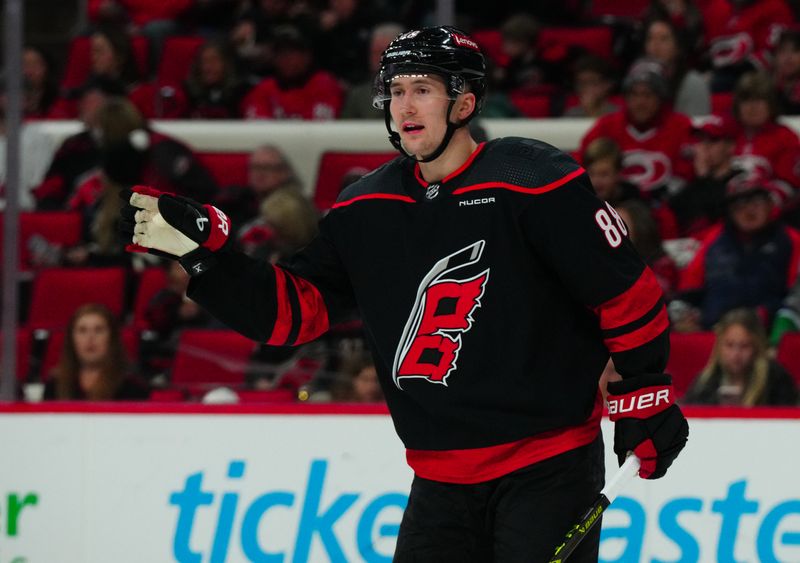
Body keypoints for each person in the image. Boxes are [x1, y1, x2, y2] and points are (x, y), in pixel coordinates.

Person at [121, 26, 688, 561]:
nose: (405, 107)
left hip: (548, 466)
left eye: (423, 90)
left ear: (463, 103)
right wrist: (204, 260)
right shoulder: (363, 208)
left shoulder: (534, 181)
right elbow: (295, 313)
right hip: (439, 480)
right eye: (396, 91)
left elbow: (626, 294)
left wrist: (646, 394)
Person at [677, 173, 800, 330]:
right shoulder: (715, 238)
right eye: (739, 205)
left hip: (765, 332)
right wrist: (684, 315)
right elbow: (689, 289)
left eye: (755, 202)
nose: (748, 211)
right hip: (713, 330)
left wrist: (768, 316)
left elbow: (795, 298)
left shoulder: (791, 239)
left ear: (770, 203)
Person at [579, 57, 694, 200]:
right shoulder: (606, 126)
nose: (640, 102)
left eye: (647, 95)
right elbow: (581, 166)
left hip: (664, 208)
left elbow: (686, 176)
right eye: (634, 94)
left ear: (661, 97)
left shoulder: (681, 126)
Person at [683, 308, 798, 406]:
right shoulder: (706, 381)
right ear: (719, 346)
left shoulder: (776, 379)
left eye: (744, 346)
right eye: (729, 345)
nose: (736, 354)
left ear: (756, 347)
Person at [44, 303, 149, 401]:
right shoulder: (54, 385)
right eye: (82, 330)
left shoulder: (131, 386)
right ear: (71, 339)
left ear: (112, 338)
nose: (90, 338)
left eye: (98, 330)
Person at [669, 113, 741, 237]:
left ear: (730, 147)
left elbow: (720, 215)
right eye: (701, 140)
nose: (704, 147)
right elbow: (675, 212)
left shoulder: (741, 180)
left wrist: (703, 177)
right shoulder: (692, 182)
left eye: (713, 141)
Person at [640, 15, 710, 116]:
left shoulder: (693, 84)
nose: (655, 45)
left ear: (678, 47)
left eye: (663, 39)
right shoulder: (638, 81)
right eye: (650, 38)